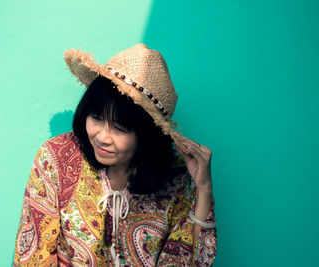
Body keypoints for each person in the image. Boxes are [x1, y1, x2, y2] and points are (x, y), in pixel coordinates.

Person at [13, 43, 217, 266]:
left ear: (147, 134)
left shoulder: (177, 176)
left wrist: (204, 189)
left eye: (120, 127)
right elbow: (33, 254)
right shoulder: (57, 157)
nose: (102, 137)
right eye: (96, 117)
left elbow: (190, 259)